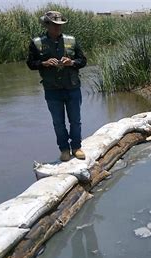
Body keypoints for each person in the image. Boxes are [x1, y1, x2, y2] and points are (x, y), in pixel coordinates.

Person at [27, 11, 87, 162]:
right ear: (46, 25)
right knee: (58, 123)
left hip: (72, 87)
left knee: (75, 120)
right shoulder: (36, 42)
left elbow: (83, 61)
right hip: (52, 89)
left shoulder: (71, 41)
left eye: (60, 25)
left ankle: (77, 147)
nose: (57, 28)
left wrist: (72, 62)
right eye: (54, 25)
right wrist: (44, 63)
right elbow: (30, 63)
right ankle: (64, 150)